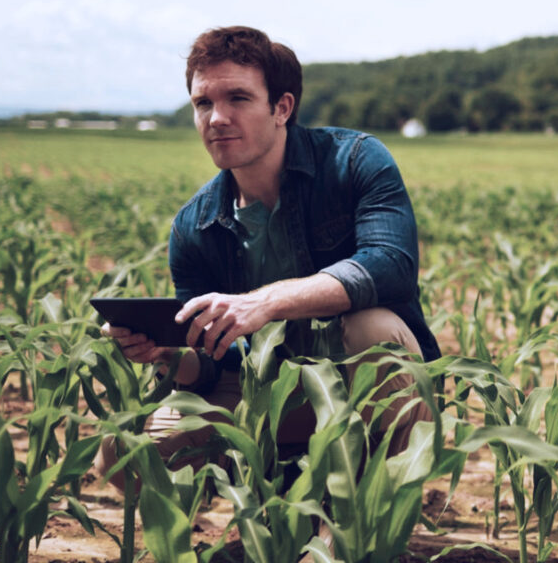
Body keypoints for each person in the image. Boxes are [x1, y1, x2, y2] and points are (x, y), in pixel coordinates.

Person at [98, 26, 439, 486]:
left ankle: (374, 508)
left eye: (237, 98)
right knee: (123, 453)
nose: (216, 118)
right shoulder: (193, 227)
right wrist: (169, 354)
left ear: (282, 108)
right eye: (203, 103)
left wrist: (265, 301)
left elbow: (389, 265)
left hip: (356, 380)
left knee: (372, 328)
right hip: (267, 390)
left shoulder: (355, 161)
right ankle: (273, 500)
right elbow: (211, 367)